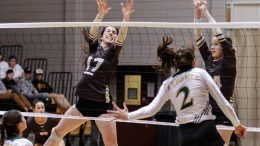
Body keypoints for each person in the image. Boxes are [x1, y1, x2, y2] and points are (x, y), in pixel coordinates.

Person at [108, 36, 246, 146]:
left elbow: (151, 110)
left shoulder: (168, 83)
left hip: (185, 134)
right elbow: (223, 102)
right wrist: (236, 124)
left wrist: (128, 116)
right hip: (205, 129)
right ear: (194, 61)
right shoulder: (200, 73)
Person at [44, 0, 135, 146]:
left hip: (102, 106)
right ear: (102, 36)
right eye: (108, 31)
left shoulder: (112, 53)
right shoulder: (94, 48)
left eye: (114, 32)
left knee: (111, 144)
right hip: (82, 103)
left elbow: (122, 36)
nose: (111, 33)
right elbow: (92, 32)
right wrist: (100, 15)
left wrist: (126, 18)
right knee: (56, 133)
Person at [193, 0, 237, 144]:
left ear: (225, 48)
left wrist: (206, 11)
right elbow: (198, 35)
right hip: (208, 113)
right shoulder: (209, 59)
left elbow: (220, 35)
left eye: (216, 44)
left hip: (224, 113)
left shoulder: (229, 62)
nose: (212, 47)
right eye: (212, 44)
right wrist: (197, 11)